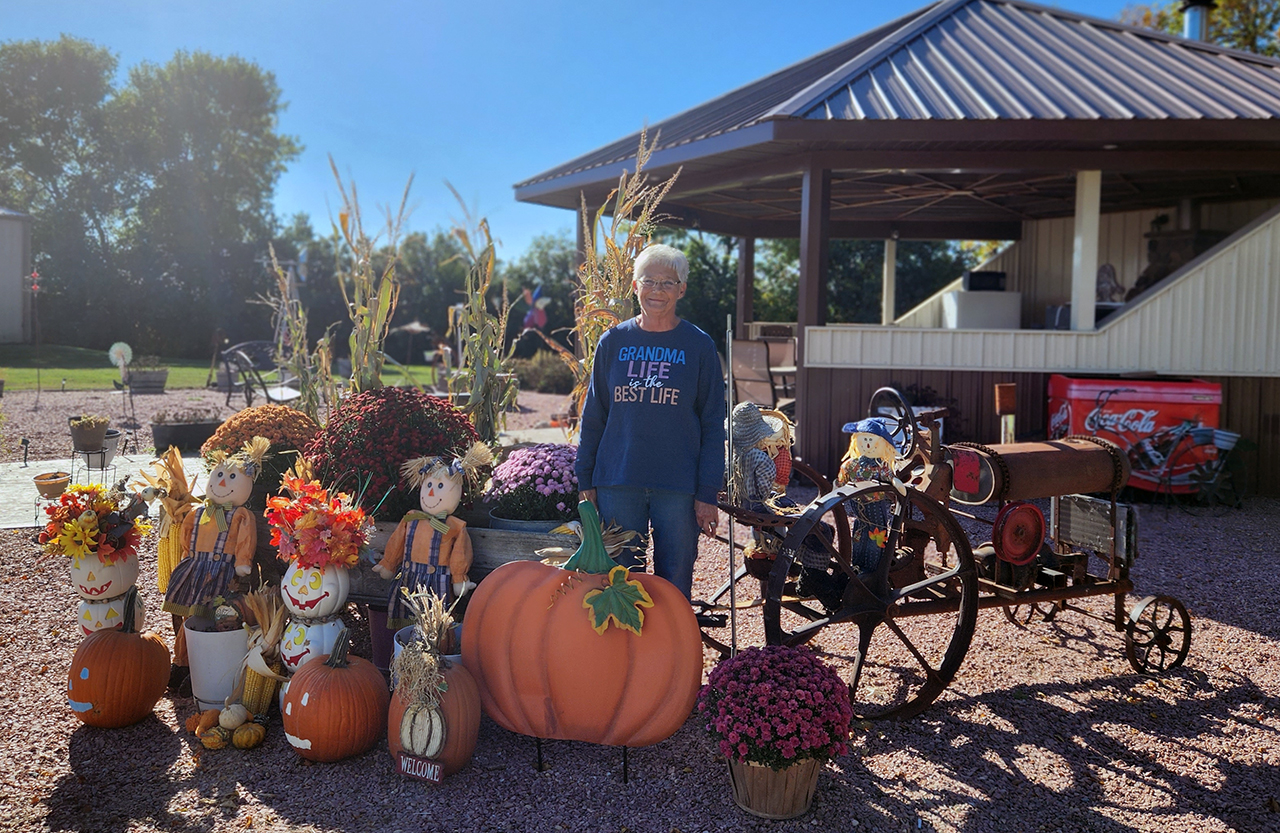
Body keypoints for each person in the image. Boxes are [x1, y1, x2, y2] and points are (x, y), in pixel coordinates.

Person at [575, 243, 725, 599]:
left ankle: (672, 653)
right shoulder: (612, 342)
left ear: (682, 289)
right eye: (649, 281)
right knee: (620, 584)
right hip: (618, 481)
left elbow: (712, 423)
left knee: (674, 582)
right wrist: (586, 478)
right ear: (635, 285)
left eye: (668, 282)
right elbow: (594, 414)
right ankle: (624, 655)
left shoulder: (698, 346)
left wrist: (707, 493)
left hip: (677, 486)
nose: (657, 290)